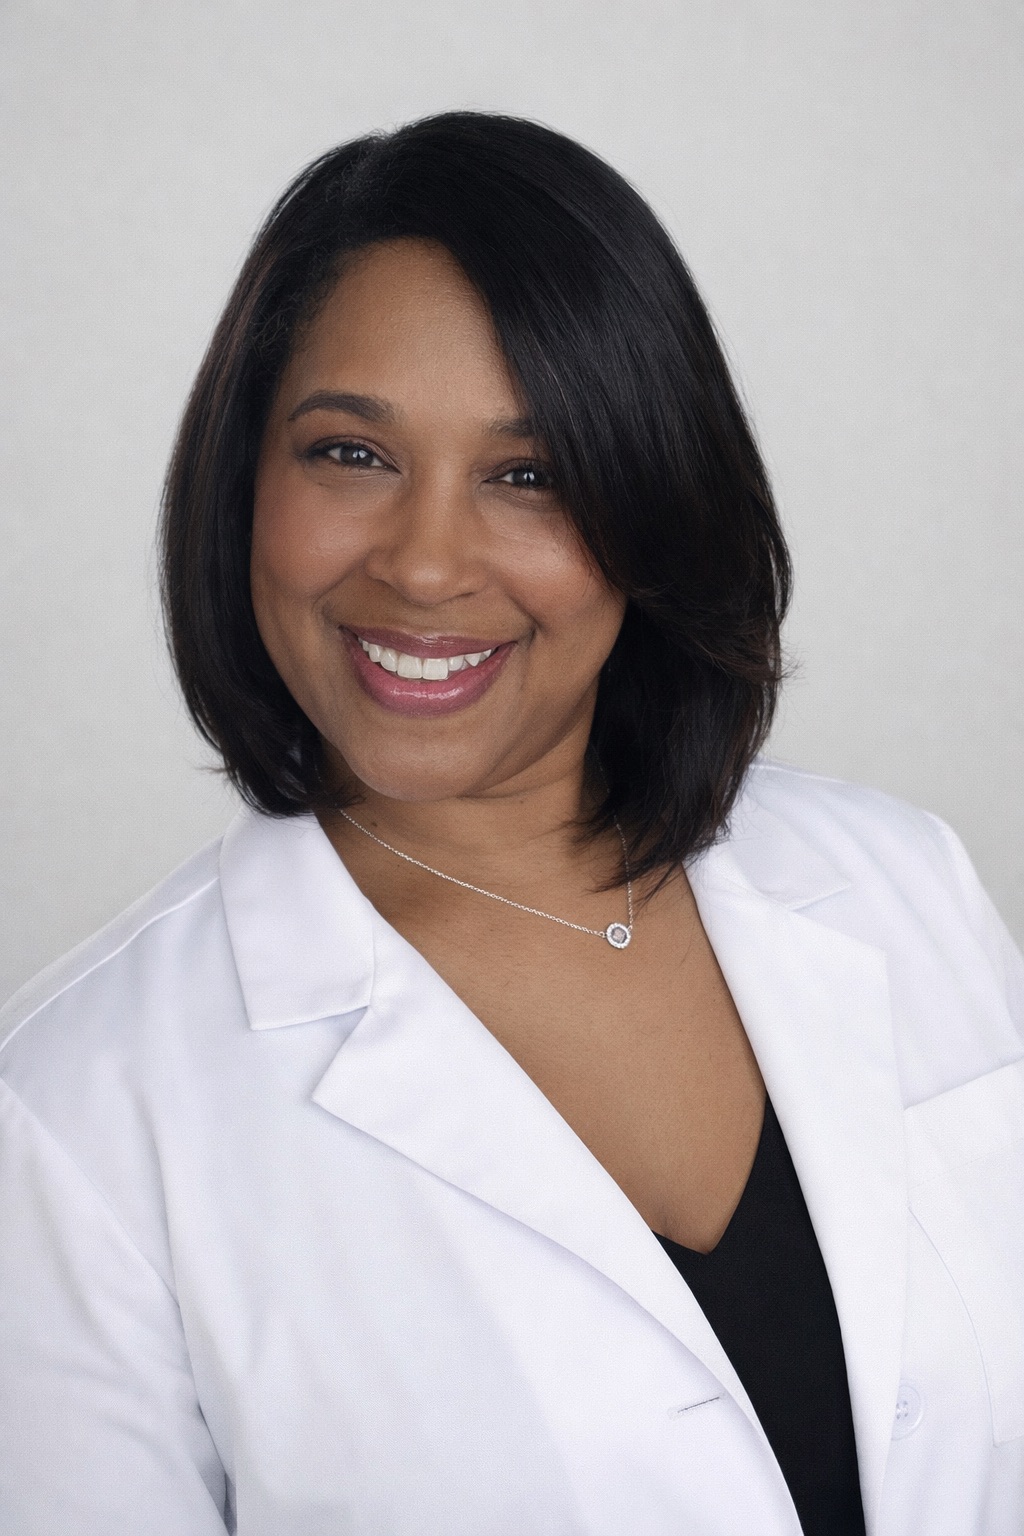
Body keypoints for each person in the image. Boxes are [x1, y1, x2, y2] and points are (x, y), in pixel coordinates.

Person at [0, 112, 1021, 1536]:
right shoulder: (73, 1115)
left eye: (529, 474)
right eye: (350, 453)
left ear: (657, 506)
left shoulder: (902, 879)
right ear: (243, 489)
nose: (425, 564)